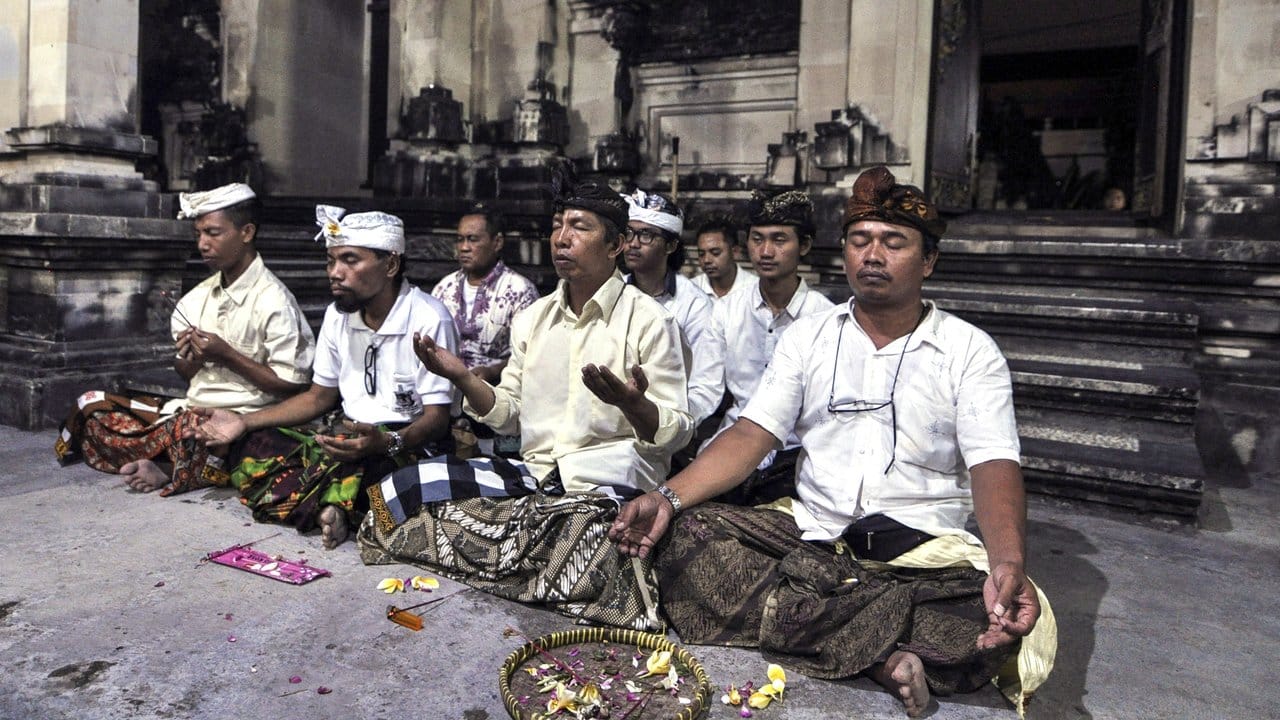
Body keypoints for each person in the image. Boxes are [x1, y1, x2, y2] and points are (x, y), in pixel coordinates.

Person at [610, 166, 1056, 717]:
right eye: (860, 241)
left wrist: (1008, 563)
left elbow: (994, 466)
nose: (872, 256)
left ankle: (822, 622)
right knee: (684, 536)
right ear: (843, 252)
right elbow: (753, 433)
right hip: (811, 532)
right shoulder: (811, 337)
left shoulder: (971, 352)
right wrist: (667, 498)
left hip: (921, 551)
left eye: (893, 243)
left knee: (995, 618)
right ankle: (880, 653)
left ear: (929, 261)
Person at [356, 165, 694, 631]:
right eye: (558, 226)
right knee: (406, 486)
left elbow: (677, 431)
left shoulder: (652, 320)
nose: (561, 238)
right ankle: (533, 565)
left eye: (579, 227)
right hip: (532, 477)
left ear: (615, 245)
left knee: (590, 533)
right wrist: (461, 377)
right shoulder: (534, 319)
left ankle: (515, 555)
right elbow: (510, 415)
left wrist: (635, 405)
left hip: (604, 487)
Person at [189, 206, 459, 548]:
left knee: (389, 478)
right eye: (331, 261)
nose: (335, 273)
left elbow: (437, 420)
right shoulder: (337, 315)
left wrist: (388, 441)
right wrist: (244, 422)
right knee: (252, 447)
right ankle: (336, 507)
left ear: (390, 265)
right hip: (349, 437)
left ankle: (332, 504)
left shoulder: (429, 318)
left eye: (349, 260)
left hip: (407, 444)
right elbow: (318, 397)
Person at [55, 183, 314, 497]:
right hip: (190, 411)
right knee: (91, 406)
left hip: (244, 419)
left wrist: (226, 355)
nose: (203, 244)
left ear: (246, 232)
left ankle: (168, 463)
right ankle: (176, 459)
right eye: (198, 234)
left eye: (213, 233)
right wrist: (192, 358)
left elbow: (292, 385)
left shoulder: (275, 302)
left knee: (250, 448)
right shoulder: (196, 299)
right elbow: (186, 373)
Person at [702, 188, 833, 501]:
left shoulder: (826, 318)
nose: (765, 251)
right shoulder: (726, 310)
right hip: (733, 447)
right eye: (757, 239)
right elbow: (705, 388)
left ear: (805, 246)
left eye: (779, 239)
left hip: (797, 454)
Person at [431, 204, 539, 455]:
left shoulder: (520, 290)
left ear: (497, 241)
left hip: (497, 405)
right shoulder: (443, 288)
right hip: (447, 404)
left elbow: (531, 354)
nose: (464, 247)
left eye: (473, 239)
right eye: (460, 240)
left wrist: (492, 370)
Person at [620, 188, 721, 425]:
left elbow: (705, 385)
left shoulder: (694, 305)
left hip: (670, 421)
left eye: (646, 235)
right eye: (629, 233)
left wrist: (673, 424)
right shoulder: (614, 292)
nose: (633, 244)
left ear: (670, 246)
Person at [691, 215, 757, 299]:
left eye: (715, 253)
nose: (706, 260)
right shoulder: (690, 290)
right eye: (701, 254)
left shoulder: (755, 289)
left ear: (735, 252)